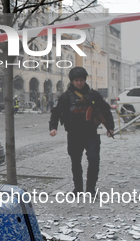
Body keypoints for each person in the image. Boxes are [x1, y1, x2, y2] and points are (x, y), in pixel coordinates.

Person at [49, 67, 114, 196]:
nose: (79, 83)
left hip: (91, 133)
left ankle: (91, 189)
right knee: (75, 161)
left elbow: (105, 110)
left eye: (81, 80)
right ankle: (78, 188)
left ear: (85, 80)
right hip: (74, 133)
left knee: (94, 159)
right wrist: (53, 127)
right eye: (76, 80)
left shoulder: (93, 94)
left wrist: (110, 127)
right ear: (72, 81)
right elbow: (55, 112)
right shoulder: (65, 96)